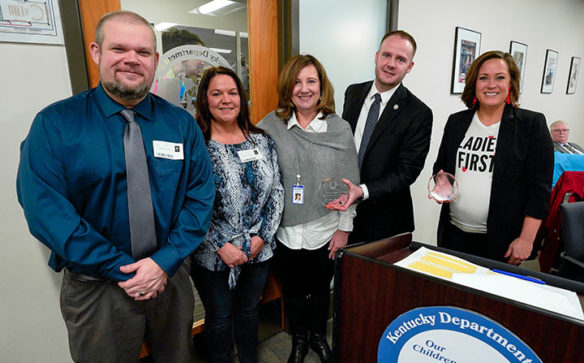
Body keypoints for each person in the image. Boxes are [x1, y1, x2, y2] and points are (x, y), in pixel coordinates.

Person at [16, 11, 215, 362]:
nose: (131, 60)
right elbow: (47, 212)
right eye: (119, 48)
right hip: (98, 288)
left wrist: (162, 262)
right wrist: (120, 268)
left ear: (155, 61)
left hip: (168, 279)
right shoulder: (55, 125)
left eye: (142, 52)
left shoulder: (181, 125)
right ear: (96, 52)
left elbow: (199, 198)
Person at [258, 55, 359, 363]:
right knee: (292, 290)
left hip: (325, 227)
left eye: (310, 81)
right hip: (285, 230)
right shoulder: (270, 125)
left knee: (318, 290)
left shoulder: (338, 128)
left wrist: (345, 228)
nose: (304, 89)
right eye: (297, 82)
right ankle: (298, 340)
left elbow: (350, 182)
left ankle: (317, 337)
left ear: (321, 86)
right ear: (288, 87)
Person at [190, 66, 284, 363]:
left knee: (249, 310)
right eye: (216, 93)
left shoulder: (262, 140)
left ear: (241, 98)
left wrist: (262, 237)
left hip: (259, 247)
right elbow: (186, 202)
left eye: (232, 93)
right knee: (218, 317)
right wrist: (220, 245)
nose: (225, 99)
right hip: (212, 251)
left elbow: (277, 192)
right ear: (205, 100)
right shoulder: (196, 145)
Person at [430, 50, 554, 265]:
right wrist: (440, 182)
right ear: (474, 83)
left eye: (500, 77)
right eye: (483, 78)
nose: (491, 85)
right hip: (454, 235)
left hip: (501, 242)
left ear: (511, 83)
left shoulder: (530, 125)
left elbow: (539, 190)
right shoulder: (456, 122)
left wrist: (526, 238)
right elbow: (441, 167)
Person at [330, 30, 433, 244]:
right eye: (386, 55)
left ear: (410, 66)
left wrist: (362, 191)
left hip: (386, 222)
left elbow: (407, 172)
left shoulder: (418, 113)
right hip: (342, 211)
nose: (391, 64)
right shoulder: (353, 93)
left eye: (401, 59)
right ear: (376, 56)